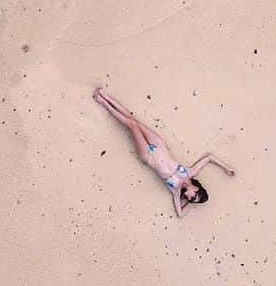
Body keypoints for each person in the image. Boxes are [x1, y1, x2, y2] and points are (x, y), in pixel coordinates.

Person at [93, 88, 235, 218]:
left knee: (131, 125)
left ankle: (102, 102)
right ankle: (106, 97)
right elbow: (209, 158)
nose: (188, 199)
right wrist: (226, 168)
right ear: (196, 188)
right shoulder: (190, 172)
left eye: (190, 200)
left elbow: (180, 214)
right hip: (160, 145)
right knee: (133, 120)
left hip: (148, 156)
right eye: (193, 197)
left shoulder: (175, 191)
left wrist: (191, 206)